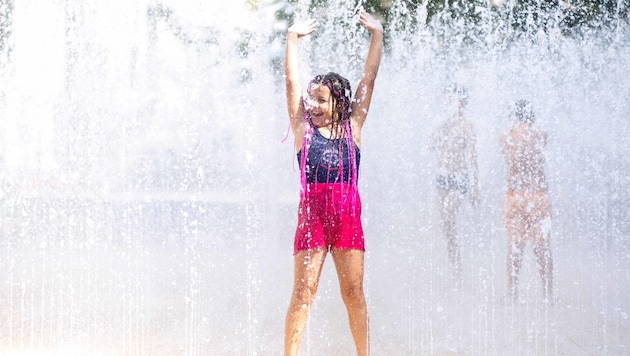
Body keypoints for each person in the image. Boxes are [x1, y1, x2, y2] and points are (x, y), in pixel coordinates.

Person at [283, 11, 383, 356]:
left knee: (353, 292)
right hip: (312, 219)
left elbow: (368, 79)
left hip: (346, 219)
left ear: (339, 103)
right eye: (311, 99)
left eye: (320, 100)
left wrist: (377, 36)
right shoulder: (303, 131)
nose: (312, 105)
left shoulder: (353, 128)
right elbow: (292, 85)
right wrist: (292, 39)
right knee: (303, 292)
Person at [499, 100, 553, 303]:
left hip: (515, 197)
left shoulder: (505, 137)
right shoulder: (540, 134)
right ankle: (547, 295)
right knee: (542, 247)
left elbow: (507, 154)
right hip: (538, 196)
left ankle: (513, 294)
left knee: (515, 245)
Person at [430, 84, 479, 284]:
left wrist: (476, 188)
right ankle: (456, 268)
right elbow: (431, 147)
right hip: (442, 176)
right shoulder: (443, 125)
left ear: (463, 103)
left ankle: (459, 266)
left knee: (449, 213)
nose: (448, 104)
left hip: (459, 177)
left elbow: (473, 158)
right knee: (446, 226)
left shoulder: (467, 127)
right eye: (446, 101)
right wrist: (438, 132)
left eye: (453, 100)